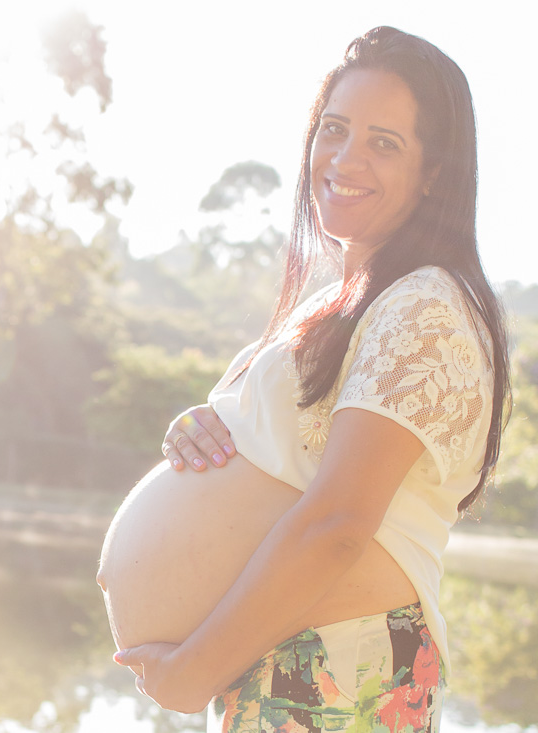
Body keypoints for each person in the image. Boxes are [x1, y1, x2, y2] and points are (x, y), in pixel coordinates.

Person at [97, 26, 510, 732]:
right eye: (334, 129)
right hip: (286, 661)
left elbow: (338, 525)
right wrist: (203, 430)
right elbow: (289, 454)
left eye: (385, 143)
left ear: (433, 173)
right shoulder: (340, 304)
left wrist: (194, 670)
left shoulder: (426, 305)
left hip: (337, 669)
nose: (345, 159)